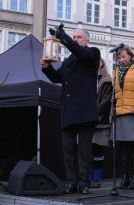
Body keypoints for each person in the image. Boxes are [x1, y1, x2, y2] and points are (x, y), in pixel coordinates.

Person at [41, 25, 101, 194]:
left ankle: (83, 183)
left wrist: (65, 38)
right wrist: (46, 68)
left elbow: (81, 53)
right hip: (68, 110)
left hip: (84, 110)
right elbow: (57, 78)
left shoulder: (93, 53)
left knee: (83, 150)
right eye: (74, 37)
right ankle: (72, 181)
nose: (75, 39)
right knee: (68, 151)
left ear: (87, 40)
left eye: (78, 37)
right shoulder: (68, 61)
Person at [114, 46, 134, 190]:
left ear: (130, 56)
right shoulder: (117, 71)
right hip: (120, 113)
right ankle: (124, 177)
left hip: (133, 112)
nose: (121, 60)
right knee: (122, 149)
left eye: (123, 57)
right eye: (119, 58)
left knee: (133, 148)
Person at [90, 58, 113, 188]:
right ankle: (87, 177)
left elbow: (106, 101)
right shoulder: (86, 77)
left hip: (100, 121)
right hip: (86, 121)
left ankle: (97, 178)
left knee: (98, 151)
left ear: (102, 64)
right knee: (86, 151)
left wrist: (93, 114)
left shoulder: (107, 80)